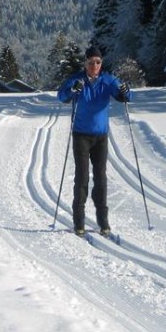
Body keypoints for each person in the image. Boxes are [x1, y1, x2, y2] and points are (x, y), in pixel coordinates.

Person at [57, 45, 131, 236]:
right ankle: (79, 222)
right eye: (91, 62)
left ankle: (103, 221)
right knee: (81, 177)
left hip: (101, 136)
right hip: (81, 134)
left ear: (101, 63)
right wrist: (72, 90)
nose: (94, 66)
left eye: (98, 62)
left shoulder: (108, 80)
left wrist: (125, 91)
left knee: (101, 178)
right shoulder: (77, 80)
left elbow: (124, 96)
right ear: (85, 63)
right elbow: (62, 96)